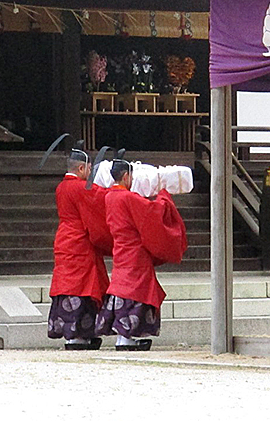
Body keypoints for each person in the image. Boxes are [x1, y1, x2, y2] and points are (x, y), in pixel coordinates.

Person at [95, 159, 188, 351]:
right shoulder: (127, 198)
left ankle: (123, 336)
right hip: (135, 251)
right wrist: (164, 196)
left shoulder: (108, 197)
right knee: (137, 291)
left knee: (122, 288)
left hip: (120, 248)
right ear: (127, 176)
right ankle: (130, 336)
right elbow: (151, 212)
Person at [48, 149, 110, 350]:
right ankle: (79, 335)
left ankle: (74, 334)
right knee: (81, 288)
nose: (90, 173)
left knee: (68, 286)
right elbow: (100, 199)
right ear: (81, 168)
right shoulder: (81, 188)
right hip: (80, 241)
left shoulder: (60, 188)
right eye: (89, 169)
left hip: (64, 238)